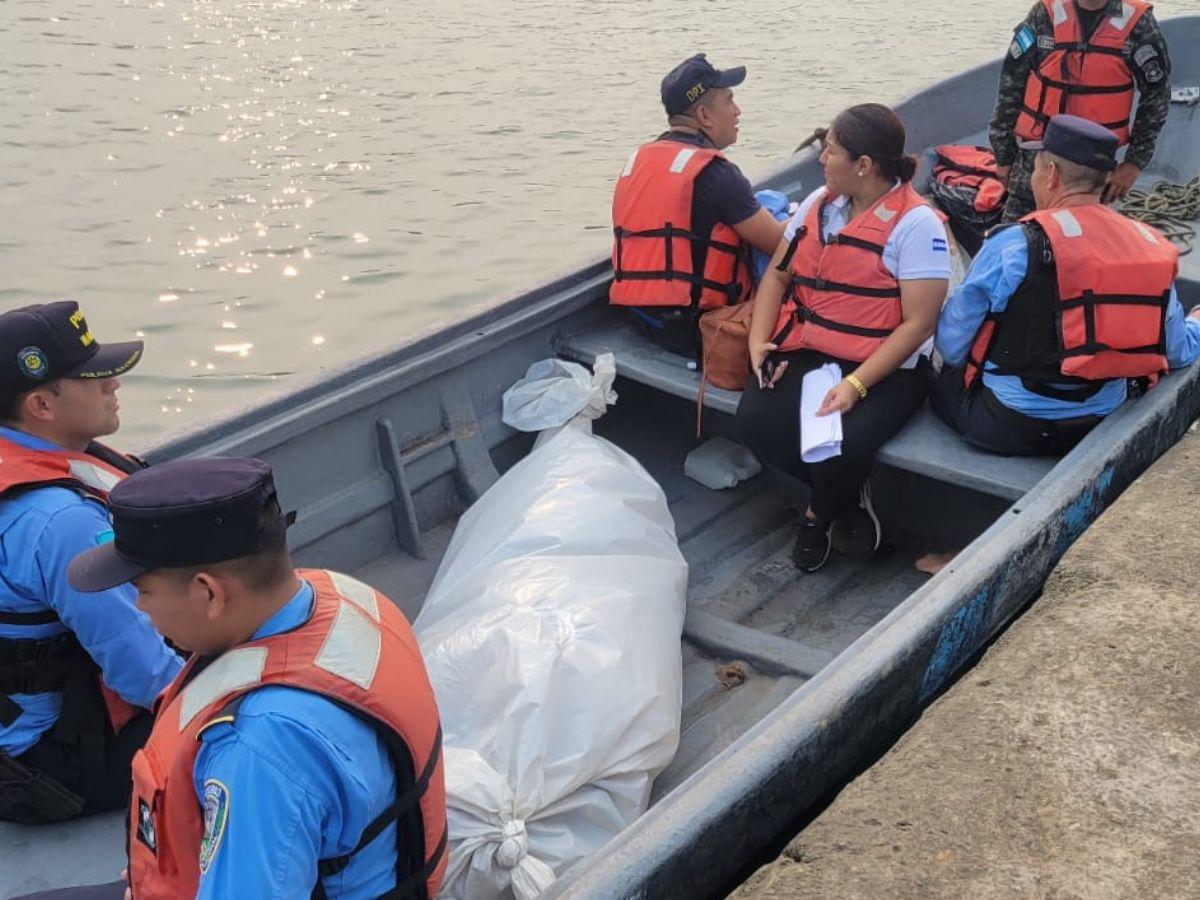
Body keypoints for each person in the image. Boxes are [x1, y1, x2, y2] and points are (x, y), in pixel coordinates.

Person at [63, 457, 447, 899]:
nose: (141, 609)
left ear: (209, 592)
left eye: (143, 591)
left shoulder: (258, 746)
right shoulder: (343, 597)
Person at [737, 104, 951, 572]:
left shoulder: (916, 226)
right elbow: (777, 275)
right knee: (756, 419)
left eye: (830, 151)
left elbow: (919, 323)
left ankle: (818, 518)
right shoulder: (820, 204)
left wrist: (856, 386)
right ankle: (848, 500)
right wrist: (758, 342)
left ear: (864, 166)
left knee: (844, 443)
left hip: (885, 367)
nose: (821, 160)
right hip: (812, 348)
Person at [0, 301, 181, 824]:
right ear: (41, 405)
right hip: (48, 767)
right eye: (94, 377)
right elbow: (147, 677)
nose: (113, 385)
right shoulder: (62, 522)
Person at [934, 114, 1200, 456]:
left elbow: (952, 346)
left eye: (1034, 169)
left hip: (1004, 425)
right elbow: (1177, 351)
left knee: (925, 375)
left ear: (1051, 175)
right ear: (1104, 181)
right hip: (1101, 423)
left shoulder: (1013, 244)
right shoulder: (1151, 245)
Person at [609, 52, 786, 355]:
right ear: (704, 116)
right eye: (730, 101)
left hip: (642, 319)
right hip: (699, 330)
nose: (738, 111)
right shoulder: (716, 174)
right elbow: (783, 246)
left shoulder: (638, 160)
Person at [989, 0, 1172, 222]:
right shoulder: (1045, 15)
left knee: (1082, 242)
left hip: (1093, 170)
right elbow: (1011, 80)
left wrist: (1134, 163)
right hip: (1037, 160)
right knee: (1013, 238)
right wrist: (1003, 154)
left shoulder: (1139, 24)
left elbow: (1157, 94)